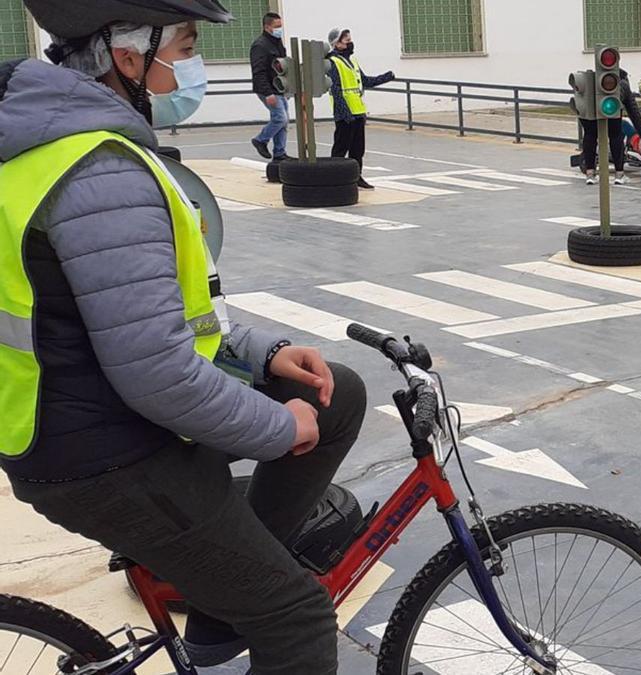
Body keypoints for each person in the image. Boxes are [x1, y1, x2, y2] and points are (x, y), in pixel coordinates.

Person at [2, 2, 368, 673]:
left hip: (91, 416)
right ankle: (244, 598)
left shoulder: (70, 144)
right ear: (129, 55)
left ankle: (220, 607)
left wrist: (265, 355)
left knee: (333, 392)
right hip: (106, 455)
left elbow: (165, 311)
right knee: (298, 616)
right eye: (187, 45)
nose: (191, 67)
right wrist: (277, 427)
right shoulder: (98, 170)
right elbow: (158, 374)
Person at [326, 27, 395, 190]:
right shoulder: (332, 62)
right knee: (341, 147)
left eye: (350, 39)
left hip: (358, 111)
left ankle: (356, 177)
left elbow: (364, 81)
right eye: (347, 41)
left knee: (358, 148)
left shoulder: (352, 61)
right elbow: (335, 90)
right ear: (337, 44)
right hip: (344, 113)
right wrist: (345, 113)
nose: (350, 43)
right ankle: (334, 178)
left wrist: (386, 77)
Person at [580, 68, 641, 186]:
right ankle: (619, 175)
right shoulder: (623, 84)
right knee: (616, 137)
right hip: (611, 111)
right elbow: (634, 115)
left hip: (589, 113)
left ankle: (590, 174)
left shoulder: (592, 80)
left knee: (590, 136)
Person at [249, 11, 289, 161]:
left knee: (284, 121)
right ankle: (260, 140)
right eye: (276, 26)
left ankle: (279, 153)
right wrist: (268, 93)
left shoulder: (277, 43)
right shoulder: (260, 46)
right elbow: (258, 71)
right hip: (268, 89)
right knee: (280, 118)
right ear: (267, 27)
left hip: (279, 87)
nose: (280, 29)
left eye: (280, 26)